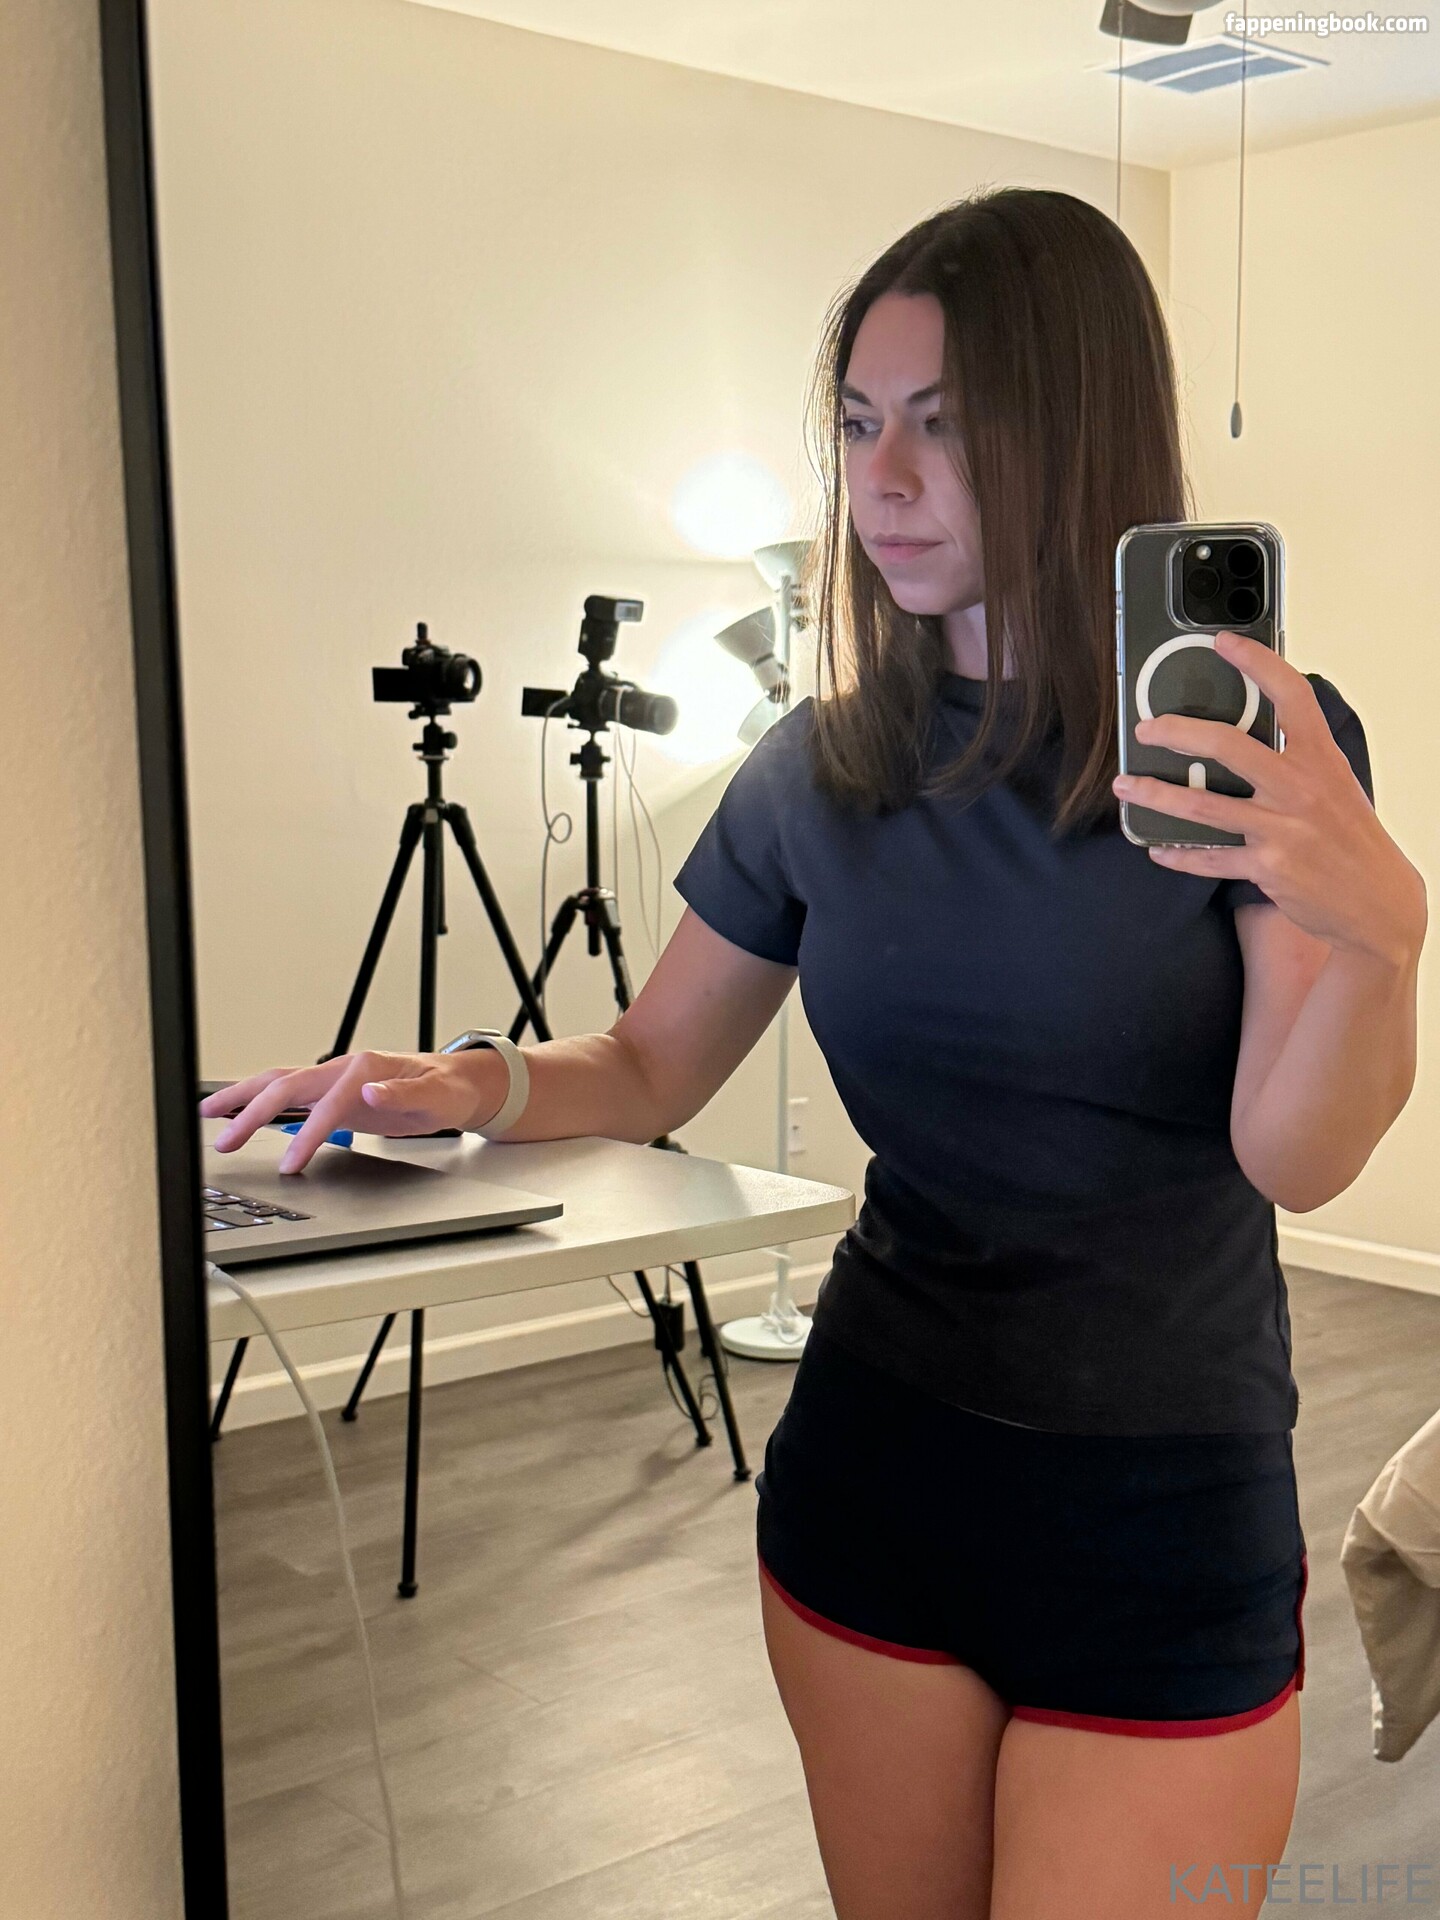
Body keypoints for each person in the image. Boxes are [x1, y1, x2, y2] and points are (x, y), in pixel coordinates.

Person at [202, 189, 1427, 1918]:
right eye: (858, 426)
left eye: (945, 425)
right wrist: (464, 1078)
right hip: (876, 1471)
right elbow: (647, 1065)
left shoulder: (1248, 751)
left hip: (1164, 1504)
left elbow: (1297, 1157)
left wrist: (1383, 935)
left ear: (1076, 429)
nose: (883, 480)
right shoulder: (820, 766)